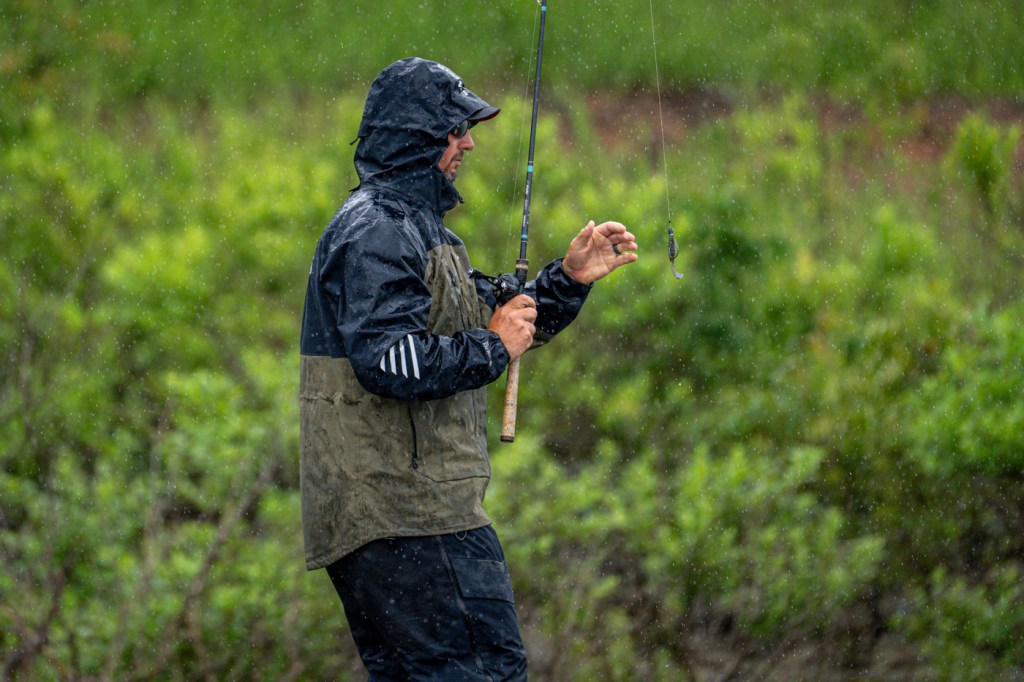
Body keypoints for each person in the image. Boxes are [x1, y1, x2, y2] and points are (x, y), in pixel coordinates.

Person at [299, 57, 637, 680]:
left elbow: (495, 320)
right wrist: (491, 348)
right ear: (416, 137)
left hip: (399, 521)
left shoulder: (414, 229)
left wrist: (566, 281)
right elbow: (391, 361)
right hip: (410, 517)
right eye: (456, 130)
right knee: (486, 672)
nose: (469, 143)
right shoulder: (379, 230)